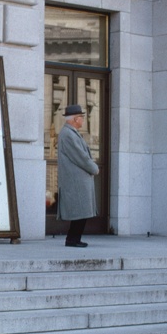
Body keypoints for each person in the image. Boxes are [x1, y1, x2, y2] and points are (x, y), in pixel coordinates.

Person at [56, 104, 99, 247]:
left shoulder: (70, 133)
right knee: (79, 211)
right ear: (75, 119)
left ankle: (74, 239)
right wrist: (94, 168)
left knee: (81, 210)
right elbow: (80, 156)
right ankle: (72, 239)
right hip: (76, 180)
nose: (82, 120)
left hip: (77, 179)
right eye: (81, 117)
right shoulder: (68, 134)